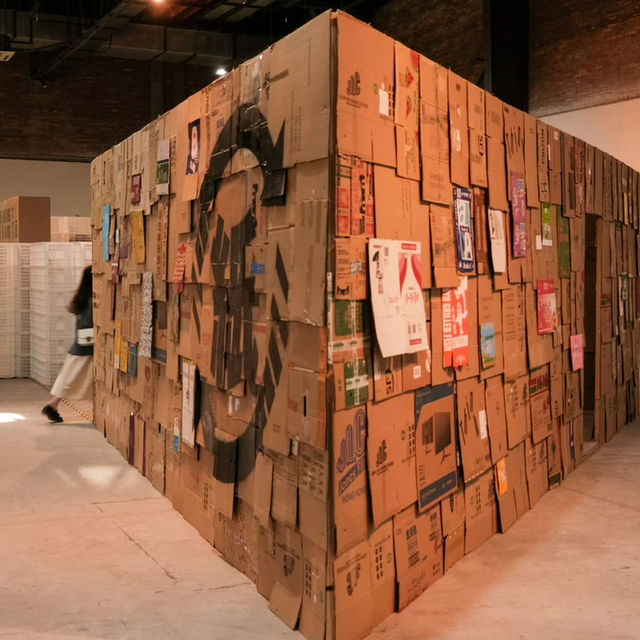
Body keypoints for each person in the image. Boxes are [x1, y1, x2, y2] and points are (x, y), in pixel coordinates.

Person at [42, 265, 94, 423]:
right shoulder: (91, 299)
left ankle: (53, 405)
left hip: (79, 346)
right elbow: (90, 322)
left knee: (69, 378)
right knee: (74, 380)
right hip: (87, 348)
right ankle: (52, 405)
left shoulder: (80, 296)